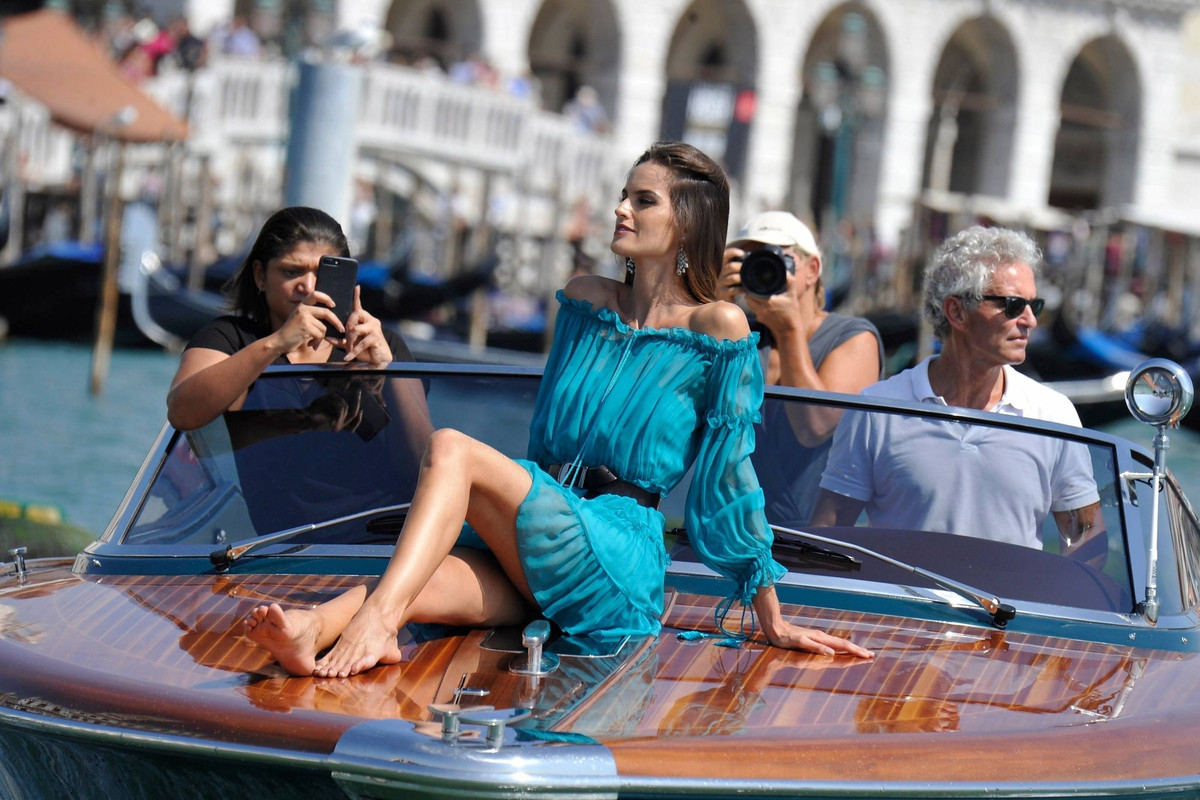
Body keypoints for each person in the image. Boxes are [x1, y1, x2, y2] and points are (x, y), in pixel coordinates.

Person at [243, 142, 875, 678]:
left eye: (644, 200)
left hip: (619, 551)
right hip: (547, 524)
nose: (622, 208)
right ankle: (313, 625)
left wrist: (770, 610)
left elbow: (731, 475)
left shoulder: (720, 326)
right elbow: (547, 440)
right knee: (430, 574)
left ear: (687, 223)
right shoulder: (584, 299)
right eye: (624, 194)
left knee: (451, 448)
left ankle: (374, 626)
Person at [810, 226, 1103, 555]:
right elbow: (827, 536)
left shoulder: (1054, 413)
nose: (1030, 320)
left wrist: (1050, 600)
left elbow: (1086, 538)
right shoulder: (876, 410)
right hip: (898, 607)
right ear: (957, 312)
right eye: (1011, 305)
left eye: (1035, 305)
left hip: (1011, 607)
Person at [166, 206, 412, 433]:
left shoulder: (383, 344)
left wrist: (388, 373)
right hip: (266, 481)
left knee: (447, 441)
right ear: (260, 275)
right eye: (292, 272)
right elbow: (181, 414)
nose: (308, 287)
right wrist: (277, 343)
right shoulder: (229, 338)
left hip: (363, 481)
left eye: (322, 273)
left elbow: (416, 454)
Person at [717, 210, 883, 526]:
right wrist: (712, 308)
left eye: (778, 257)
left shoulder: (854, 338)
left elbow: (814, 426)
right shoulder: (735, 333)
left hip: (808, 542)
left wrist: (789, 331)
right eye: (749, 258)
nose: (764, 267)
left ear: (812, 269)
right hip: (724, 529)